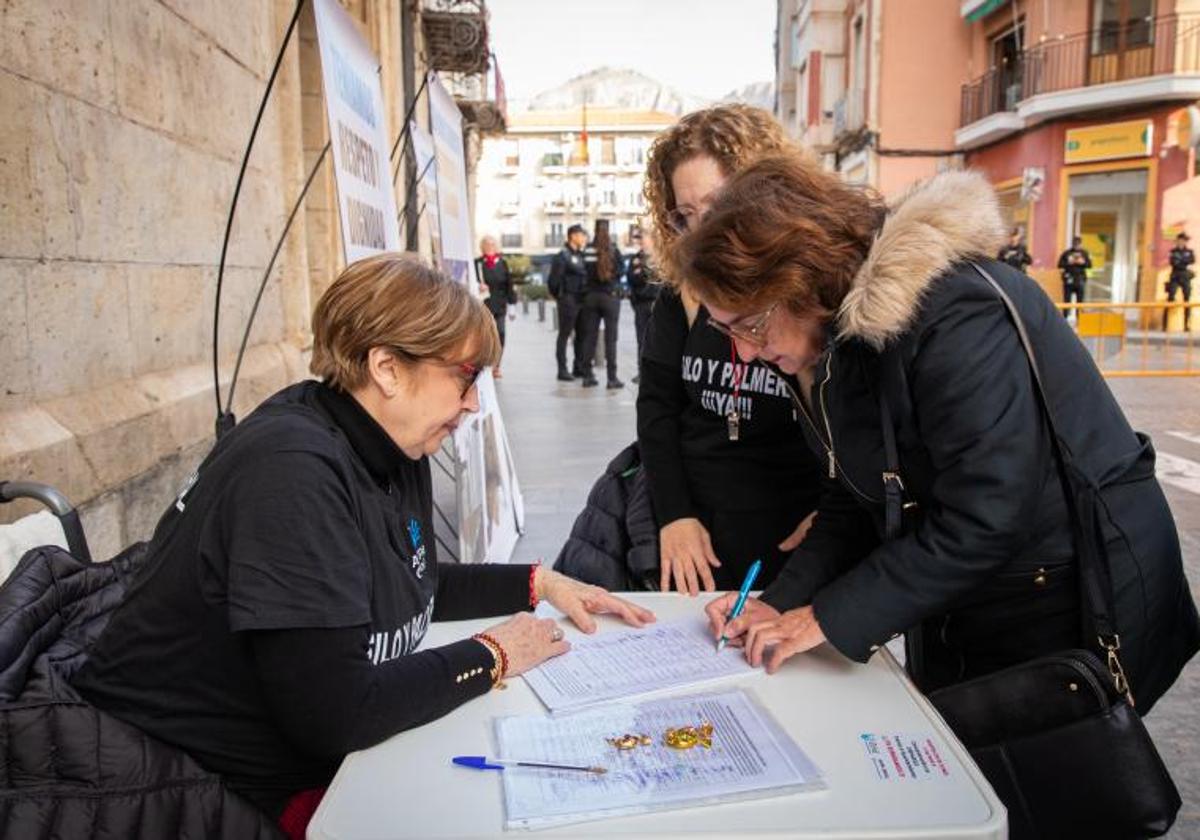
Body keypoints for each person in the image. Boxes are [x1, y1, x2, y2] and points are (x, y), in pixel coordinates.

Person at [71, 254, 655, 831]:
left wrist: (540, 583)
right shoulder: (292, 472)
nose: (474, 402)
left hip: (294, 761)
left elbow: (410, 581)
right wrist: (495, 652)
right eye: (465, 376)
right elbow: (337, 713)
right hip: (188, 784)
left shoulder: (392, 442)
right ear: (388, 368)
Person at [672, 152, 1197, 717]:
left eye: (749, 325)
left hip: (1067, 598)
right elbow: (854, 493)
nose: (746, 354)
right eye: (728, 333)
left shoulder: (954, 311)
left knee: (1060, 781)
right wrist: (779, 603)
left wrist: (827, 617)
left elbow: (987, 514)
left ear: (799, 277)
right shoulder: (830, 338)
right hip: (974, 598)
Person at [637, 104, 822, 595]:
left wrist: (837, 515)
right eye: (685, 216)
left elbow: (858, 422)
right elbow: (657, 408)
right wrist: (674, 515)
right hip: (697, 529)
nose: (700, 233)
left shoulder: (809, 288)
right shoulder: (680, 293)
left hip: (797, 530)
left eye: (715, 208)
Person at [578, 218, 625, 389]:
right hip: (610, 298)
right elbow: (621, 271)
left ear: (595, 229)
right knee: (611, 340)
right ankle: (612, 378)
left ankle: (587, 376)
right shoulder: (614, 250)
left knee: (589, 337)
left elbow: (582, 272)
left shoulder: (588, 250)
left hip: (591, 298)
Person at [547, 224, 589, 381]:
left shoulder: (581, 255)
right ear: (573, 236)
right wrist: (561, 297)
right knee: (564, 334)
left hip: (581, 299)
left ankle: (578, 367)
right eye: (582, 235)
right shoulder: (562, 256)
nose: (584, 238)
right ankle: (562, 370)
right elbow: (553, 281)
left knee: (582, 334)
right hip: (568, 299)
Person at [474, 235, 515, 377]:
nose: (490, 246)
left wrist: (512, 305)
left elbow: (510, 285)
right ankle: (483, 364)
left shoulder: (502, 263)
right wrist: (478, 285)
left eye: (492, 244)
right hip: (483, 305)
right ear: (482, 246)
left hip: (500, 304)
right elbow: (470, 280)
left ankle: (496, 366)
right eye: (487, 244)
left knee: (501, 334)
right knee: (484, 335)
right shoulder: (477, 263)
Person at [626, 226, 661, 382]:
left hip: (656, 304)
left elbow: (660, 280)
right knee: (641, 339)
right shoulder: (636, 258)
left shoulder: (659, 257)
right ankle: (642, 372)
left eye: (641, 238)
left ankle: (658, 373)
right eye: (638, 238)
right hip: (641, 304)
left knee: (659, 339)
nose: (639, 241)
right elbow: (631, 279)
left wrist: (641, 273)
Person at [1165, 231, 1195, 330]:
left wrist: (1180, 260)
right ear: (1177, 241)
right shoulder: (1173, 251)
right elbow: (1172, 262)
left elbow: (1192, 260)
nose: (1182, 242)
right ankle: (1165, 325)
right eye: (1180, 240)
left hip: (1185, 276)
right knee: (1170, 298)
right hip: (1175, 275)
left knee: (1187, 300)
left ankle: (1186, 325)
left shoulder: (1189, 251)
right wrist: (1183, 261)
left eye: (1184, 240)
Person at [1057, 236, 1092, 316]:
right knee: (1067, 301)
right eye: (1075, 244)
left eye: (1078, 244)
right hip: (1069, 279)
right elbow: (1059, 265)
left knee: (1080, 302)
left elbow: (1090, 265)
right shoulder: (1066, 253)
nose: (1076, 246)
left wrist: (1083, 263)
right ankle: (1065, 318)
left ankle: (1079, 319)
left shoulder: (1084, 253)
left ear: (1080, 244)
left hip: (1080, 279)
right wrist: (1069, 263)